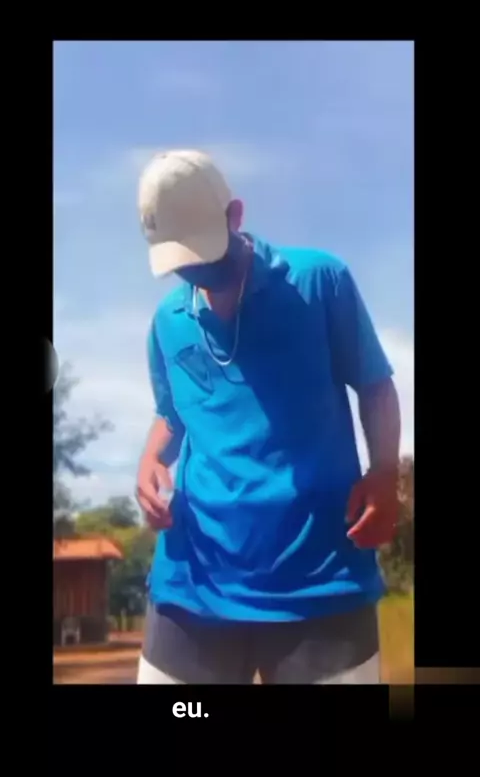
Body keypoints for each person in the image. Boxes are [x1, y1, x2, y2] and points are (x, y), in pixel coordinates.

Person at [135, 149, 400, 684]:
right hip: (194, 580)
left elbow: (375, 386)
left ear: (235, 216)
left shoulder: (319, 281)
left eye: (205, 254)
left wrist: (385, 473)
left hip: (320, 579)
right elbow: (173, 413)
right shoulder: (167, 322)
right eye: (183, 261)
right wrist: (149, 461)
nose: (197, 271)